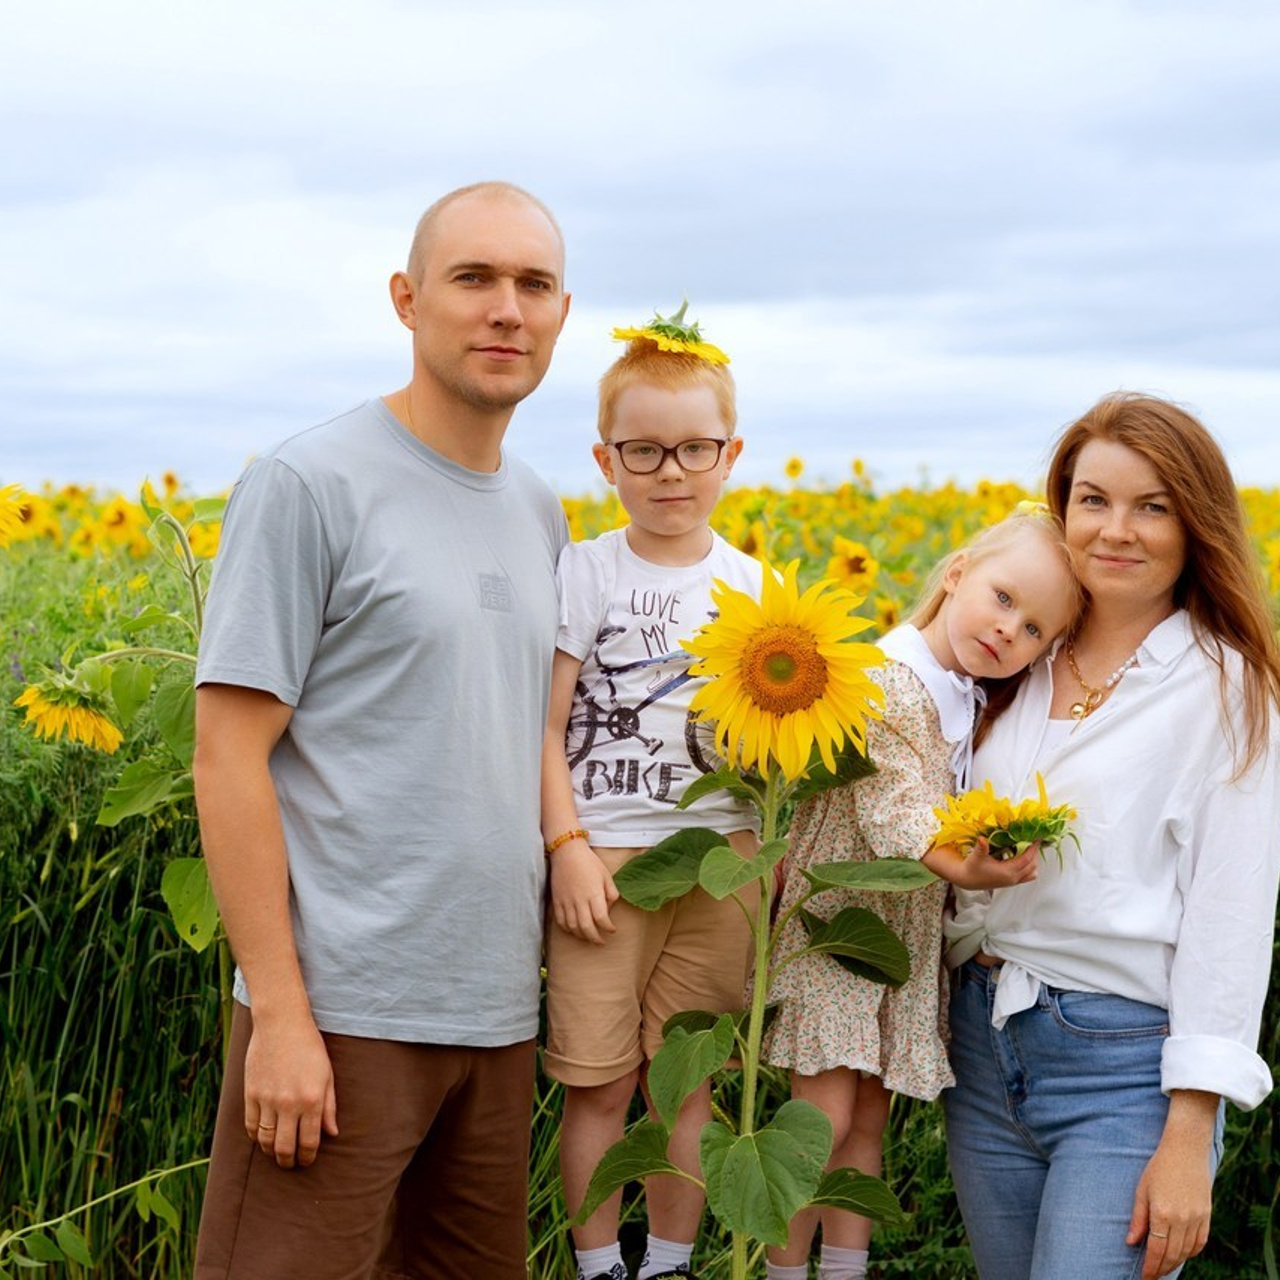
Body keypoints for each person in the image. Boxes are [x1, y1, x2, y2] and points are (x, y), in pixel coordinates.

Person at [190, 181, 572, 1280]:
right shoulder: (311, 483)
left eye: (531, 284)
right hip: (341, 1014)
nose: (505, 308)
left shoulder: (537, 506)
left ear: (559, 313)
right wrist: (281, 1015)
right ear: (407, 300)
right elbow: (227, 756)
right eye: (473, 278)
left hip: (494, 1018)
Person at [943, 393, 1280, 1280]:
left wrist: (1190, 1128)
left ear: (1195, 523)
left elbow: (1230, 917)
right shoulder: (1012, 648)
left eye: (1152, 506)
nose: (1115, 531)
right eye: (1093, 500)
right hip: (979, 1046)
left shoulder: (1225, 689)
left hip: (1120, 1071)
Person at [762, 510, 1082, 1280]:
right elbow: (891, 809)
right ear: (957, 572)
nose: (1010, 632)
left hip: (897, 938)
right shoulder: (887, 678)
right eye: (1004, 598)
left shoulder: (964, 696)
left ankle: (843, 1269)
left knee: (867, 1119)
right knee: (822, 1122)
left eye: (1035, 629)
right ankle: (774, 1267)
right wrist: (967, 867)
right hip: (837, 924)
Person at [541, 309, 761, 1280]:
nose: (669, 470)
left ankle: (668, 1262)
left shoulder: (753, 583)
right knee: (596, 1081)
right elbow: (542, 727)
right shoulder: (587, 570)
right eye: (643, 450)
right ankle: (597, 1265)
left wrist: (769, 855)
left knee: (689, 1086)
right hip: (605, 863)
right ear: (605, 457)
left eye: (692, 448)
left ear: (729, 454)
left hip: (723, 859)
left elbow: (767, 745)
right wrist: (564, 845)